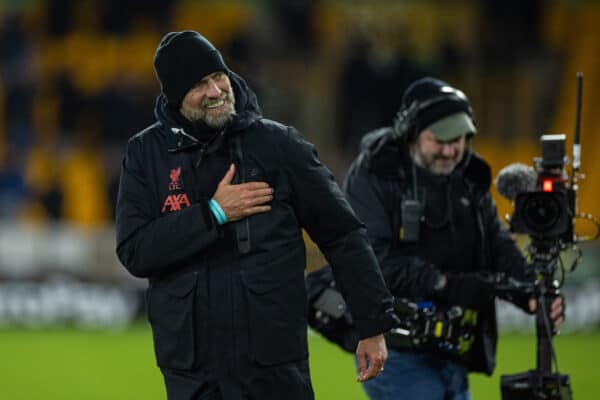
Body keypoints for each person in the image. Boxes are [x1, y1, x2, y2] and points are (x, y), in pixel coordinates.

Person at [115, 30, 397, 400]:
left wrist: (372, 324)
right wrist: (213, 213)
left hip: (273, 364)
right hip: (194, 371)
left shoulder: (279, 145)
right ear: (174, 97)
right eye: (199, 85)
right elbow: (135, 250)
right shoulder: (145, 155)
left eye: (219, 77)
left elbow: (342, 235)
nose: (216, 91)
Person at [342, 77, 564, 400]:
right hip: (396, 347)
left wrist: (530, 289)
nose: (450, 151)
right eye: (439, 140)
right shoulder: (373, 174)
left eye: (458, 140)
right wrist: (447, 284)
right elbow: (370, 259)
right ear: (411, 134)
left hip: (455, 347)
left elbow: (497, 243)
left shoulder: (470, 175)